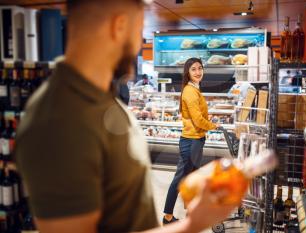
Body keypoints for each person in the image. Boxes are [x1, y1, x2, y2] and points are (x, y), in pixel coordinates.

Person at [15, 1, 240, 233]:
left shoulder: (104, 101)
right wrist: (194, 225)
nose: (140, 45)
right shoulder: (58, 121)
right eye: (140, 31)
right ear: (119, 25)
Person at [163, 57, 220, 224]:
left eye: (200, 68)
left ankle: (192, 213)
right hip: (191, 141)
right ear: (188, 72)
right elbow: (197, 120)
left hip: (196, 139)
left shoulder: (195, 89)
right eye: (194, 69)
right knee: (180, 179)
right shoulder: (190, 91)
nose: (198, 72)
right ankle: (167, 216)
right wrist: (213, 126)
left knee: (193, 178)